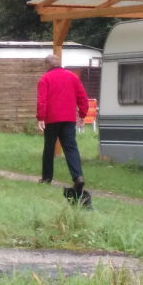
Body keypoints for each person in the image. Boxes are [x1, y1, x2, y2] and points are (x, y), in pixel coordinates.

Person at [36, 54, 89, 192]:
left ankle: (47, 177)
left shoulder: (45, 78)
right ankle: (78, 177)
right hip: (69, 118)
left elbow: (42, 100)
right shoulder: (72, 77)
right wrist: (82, 114)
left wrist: (40, 118)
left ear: (47, 65)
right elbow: (82, 96)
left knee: (49, 147)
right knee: (71, 147)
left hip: (52, 118)